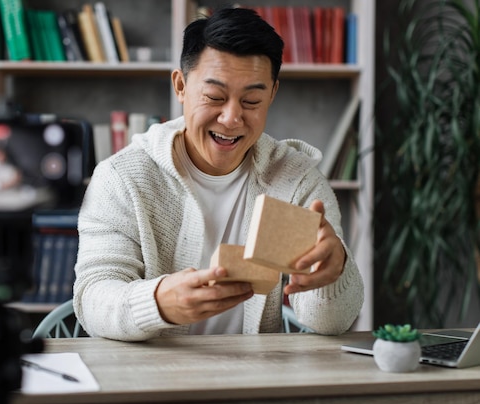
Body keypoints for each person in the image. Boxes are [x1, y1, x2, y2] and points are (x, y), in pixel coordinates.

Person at [73, 7, 364, 341]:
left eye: (252, 101)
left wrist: (334, 270)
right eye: (215, 97)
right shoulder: (121, 177)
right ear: (180, 85)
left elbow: (331, 323)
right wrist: (159, 303)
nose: (231, 118)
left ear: (272, 94)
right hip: (147, 380)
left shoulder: (297, 180)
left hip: (252, 380)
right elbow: (92, 297)